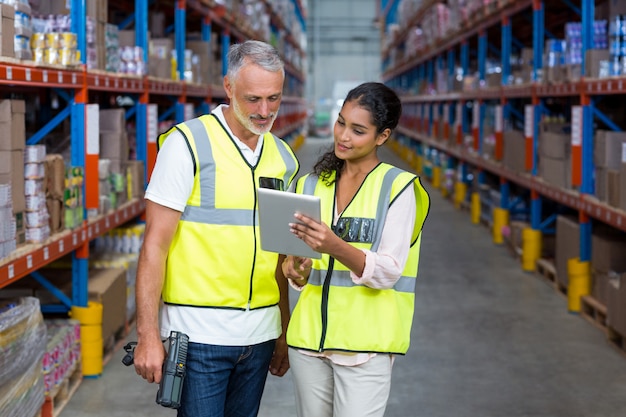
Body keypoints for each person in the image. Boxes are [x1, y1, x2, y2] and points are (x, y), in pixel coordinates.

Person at [133, 40, 299, 417]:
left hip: (259, 335)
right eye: (253, 98)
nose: (264, 111)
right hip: (199, 337)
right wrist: (147, 335)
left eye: (274, 99)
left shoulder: (284, 158)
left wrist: (284, 331)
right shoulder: (187, 144)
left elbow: (279, 255)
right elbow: (154, 247)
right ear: (228, 87)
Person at [282, 82, 430, 417]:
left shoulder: (397, 188)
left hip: (363, 347)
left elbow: (390, 271)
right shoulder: (310, 184)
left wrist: (334, 245)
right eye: (341, 123)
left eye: (358, 130)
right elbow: (298, 267)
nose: (343, 136)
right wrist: (295, 270)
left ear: (383, 136)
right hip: (309, 341)